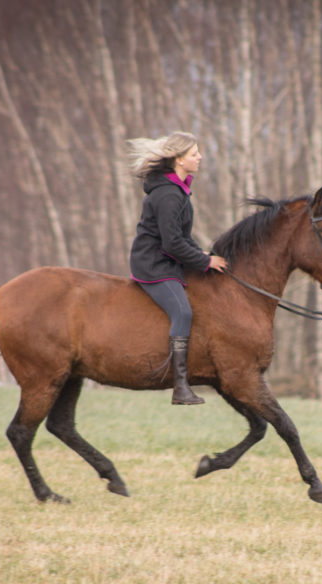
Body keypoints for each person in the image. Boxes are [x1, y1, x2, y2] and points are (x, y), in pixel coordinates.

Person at [128, 131, 228, 405]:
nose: (200, 157)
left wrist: (201, 254)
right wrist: (205, 261)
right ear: (180, 160)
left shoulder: (178, 191)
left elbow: (181, 237)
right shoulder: (169, 195)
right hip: (153, 264)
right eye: (194, 154)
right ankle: (180, 386)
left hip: (166, 259)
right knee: (182, 311)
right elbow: (172, 243)